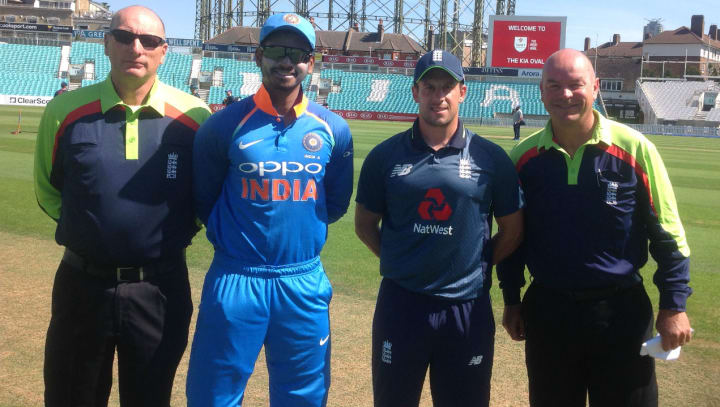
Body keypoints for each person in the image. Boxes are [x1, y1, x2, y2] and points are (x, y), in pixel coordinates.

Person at [33, 6, 211, 406]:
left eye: (149, 41)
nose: (137, 48)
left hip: (160, 289)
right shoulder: (64, 111)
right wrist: (93, 233)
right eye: (125, 37)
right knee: (70, 397)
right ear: (107, 42)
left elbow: (204, 198)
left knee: (149, 398)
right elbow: (47, 188)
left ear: (164, 52)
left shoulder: (196, 117)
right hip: (82, 286)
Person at [497, 49, 693, 407]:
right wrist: (511, 298)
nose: (565, 94)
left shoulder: (636, 149)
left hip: (620, 311)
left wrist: (674, 305)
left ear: (596, 87)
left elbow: (668, 234)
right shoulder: (522, 158)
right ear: (540, 92)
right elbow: (513, 239)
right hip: (549, 311)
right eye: (554, 85)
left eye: (576, 84)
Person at [187, 13, 354, 407]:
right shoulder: (224, 125)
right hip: (236, 278)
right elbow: (204, 200)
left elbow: (334, 205)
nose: (286, 61)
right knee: (214, 395)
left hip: (301, 281)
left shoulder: (333, 129)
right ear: (258, 55)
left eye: (297, 53)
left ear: (310, 63)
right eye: (277, 51)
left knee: (303, 397)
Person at [355, 49, 524, 407]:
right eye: (429, 86)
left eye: (447, 86)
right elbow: (365, 225)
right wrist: (401, 260)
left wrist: (479, 262)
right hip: (401, 305)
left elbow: (513, 229)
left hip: (467, 307)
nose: (438, 95)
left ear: (462, 91)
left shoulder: (491, 158)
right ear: (415, 92)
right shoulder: (384, 156)